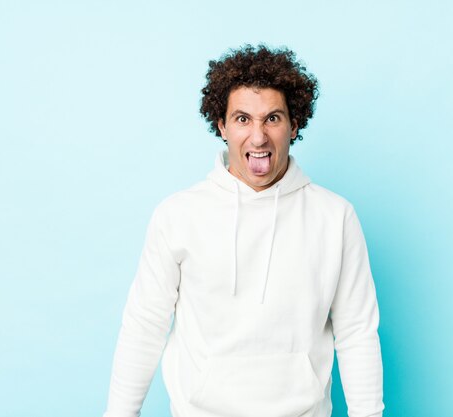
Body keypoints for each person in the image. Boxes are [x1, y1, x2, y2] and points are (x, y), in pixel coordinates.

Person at [103, 44, 384, 417]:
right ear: (221, 125)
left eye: (272, 118)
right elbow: (144, 326)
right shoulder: (178, 215)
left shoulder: (335, 217)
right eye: (242, 119)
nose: (258, 138)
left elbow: (357, 334)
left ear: (294, 124)